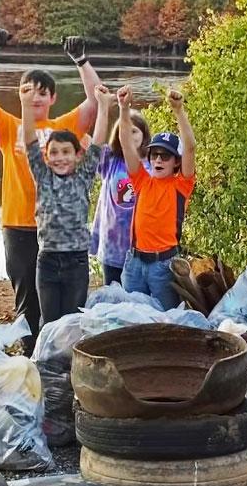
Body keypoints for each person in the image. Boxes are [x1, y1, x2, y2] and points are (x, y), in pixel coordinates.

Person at [0, 29, 98, 353]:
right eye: (28, 91)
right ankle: (32, 359)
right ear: (19, 94)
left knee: (64, 305)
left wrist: (81, 60)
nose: (35, 97)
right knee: (28, 302)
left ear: (52, 98)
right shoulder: (10, 126)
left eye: (42, 92)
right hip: (19, 226)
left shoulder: (64, 127)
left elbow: (96, 101)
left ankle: (61, 359)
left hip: (57, 234)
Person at [25, 81, 115, 324]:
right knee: (50, 320)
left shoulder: (84, 176)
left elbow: (97, 143)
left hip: (76, 260)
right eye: (54, 152)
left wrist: (104, 107)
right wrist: (25, 105)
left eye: (66, 152)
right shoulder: (42, 177)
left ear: (77, 156)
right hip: (48, 260)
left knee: (73, 321)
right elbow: (30, 143)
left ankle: (69, 362)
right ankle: (47, 362)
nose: (60, 158)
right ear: (46, 156)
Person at [116, 86, 196, 309]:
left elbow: (190, 148)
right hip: (134, 263)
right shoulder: (141, 180)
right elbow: (125, 142)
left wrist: (179, 110)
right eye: (155, 154)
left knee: (165, 321)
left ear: (176, 162)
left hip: (164, 264)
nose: (158, 160)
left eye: (166, 155)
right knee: (131, 319)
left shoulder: (181, 185)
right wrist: (123, 109)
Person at [90, 86, 151, 286]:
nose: (130, 136)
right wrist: (103, 106)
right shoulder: (111, 161)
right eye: (125, 132)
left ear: (144, 135)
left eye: (135, 131)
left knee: (138, 300)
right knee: (113, 298)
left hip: (140, 247)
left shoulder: (152, 165)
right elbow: (96, 145)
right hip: (112, 246)